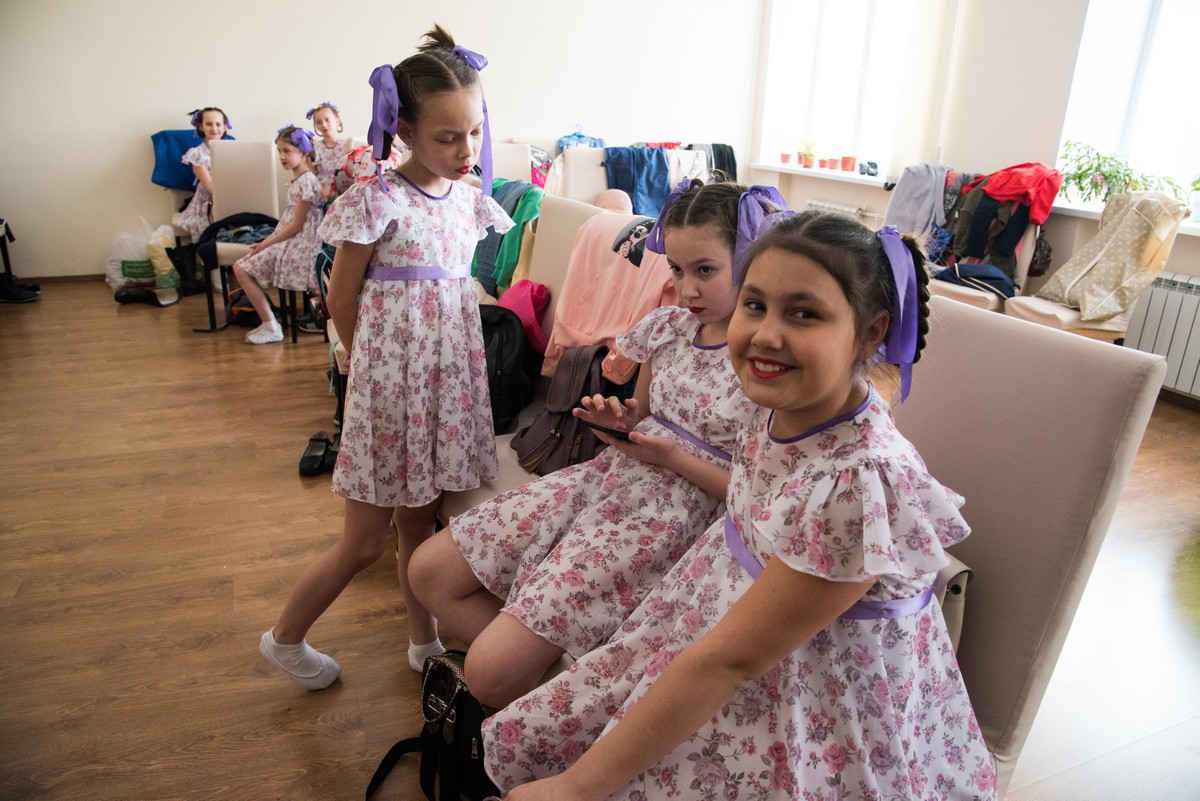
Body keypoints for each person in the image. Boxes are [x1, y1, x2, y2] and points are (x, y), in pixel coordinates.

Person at [489, 211, 998, 801]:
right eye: (754, 305)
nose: (765, 335)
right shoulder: (776, 409)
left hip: (814, 693)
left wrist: (578, 788)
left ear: (869, 333)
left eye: (803, 313)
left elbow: (728, 663)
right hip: (713, 621)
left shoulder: (858, 483)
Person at [410, 179, 786, 710]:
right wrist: (621, 421)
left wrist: (673, 457)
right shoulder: (668, 328)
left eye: (705, 270)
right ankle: (572, 691)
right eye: (677, 270)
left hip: (679, 521)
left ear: (752, 259)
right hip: (611, 482)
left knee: (490, 674)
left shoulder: (772, 360)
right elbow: (647, 416)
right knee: (428, 571)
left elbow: (764, 498)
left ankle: (576, 703)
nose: (686, 290)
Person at [258, 25, 513, 689]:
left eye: (475, 132)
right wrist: (369, 370)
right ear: (403, 129)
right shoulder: (376, 199)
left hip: (442, 390)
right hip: (391, 395)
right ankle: (285, 638)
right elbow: (340, 297)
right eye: (448, 137)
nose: (466, 150)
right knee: (364, 542)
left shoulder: (469, 202)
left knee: (417, 526)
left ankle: (424, 641)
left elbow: (457, 296)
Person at [232, 125, 324, 345]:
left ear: (303, 152)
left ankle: (271, 326)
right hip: (291, 240)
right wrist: (267, 241)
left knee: (241, 270)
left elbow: (297, 225)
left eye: (287, 151)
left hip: (301, 245)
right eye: (279, 151)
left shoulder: (307, 181)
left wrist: (266, 244)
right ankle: (269, 322)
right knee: (240, 267)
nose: (282, 156)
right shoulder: (298, 180)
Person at [176, 107, 231, 242]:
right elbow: (210, 187)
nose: (214, 128)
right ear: (201, 127)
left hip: (230, 195)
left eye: (218, 124)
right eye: (209, 124)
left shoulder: (232, 150)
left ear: (225, 127)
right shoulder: (197, 154)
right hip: (208, 201)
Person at [307, 101, 352, 203]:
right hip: (320, 193)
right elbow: (310, 175)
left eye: (327, 120)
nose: (324, 124)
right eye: (319, 122)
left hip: (342, 193)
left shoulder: (347, 146)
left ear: (337, 121)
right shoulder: (314, 147)